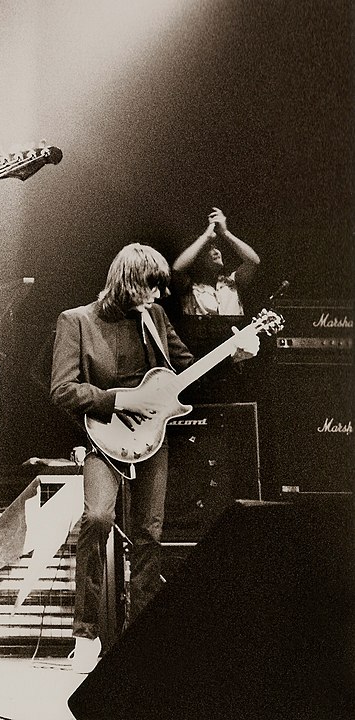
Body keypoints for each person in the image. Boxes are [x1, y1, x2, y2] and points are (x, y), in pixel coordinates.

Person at [49, 243, 258, 674]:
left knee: (150, 533)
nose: (160, 296)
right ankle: (85, 634)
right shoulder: (77, 321)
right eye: (152, 286)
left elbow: (189, 373)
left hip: (152, 440)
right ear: (127, 282)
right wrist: (124, 398)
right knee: (98, 519)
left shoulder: (155, 319)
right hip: (102, 437)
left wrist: (231, 357)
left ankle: (139, 632)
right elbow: (63, 390)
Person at [173, 207, 260, 316]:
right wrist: (206, 236)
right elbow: (177, 269)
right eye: (208, 249)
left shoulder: (233, 280)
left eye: (216, 247)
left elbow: (253, 261)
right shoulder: (189, 286)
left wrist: (225, 232)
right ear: (197, 258)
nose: (216, 252)